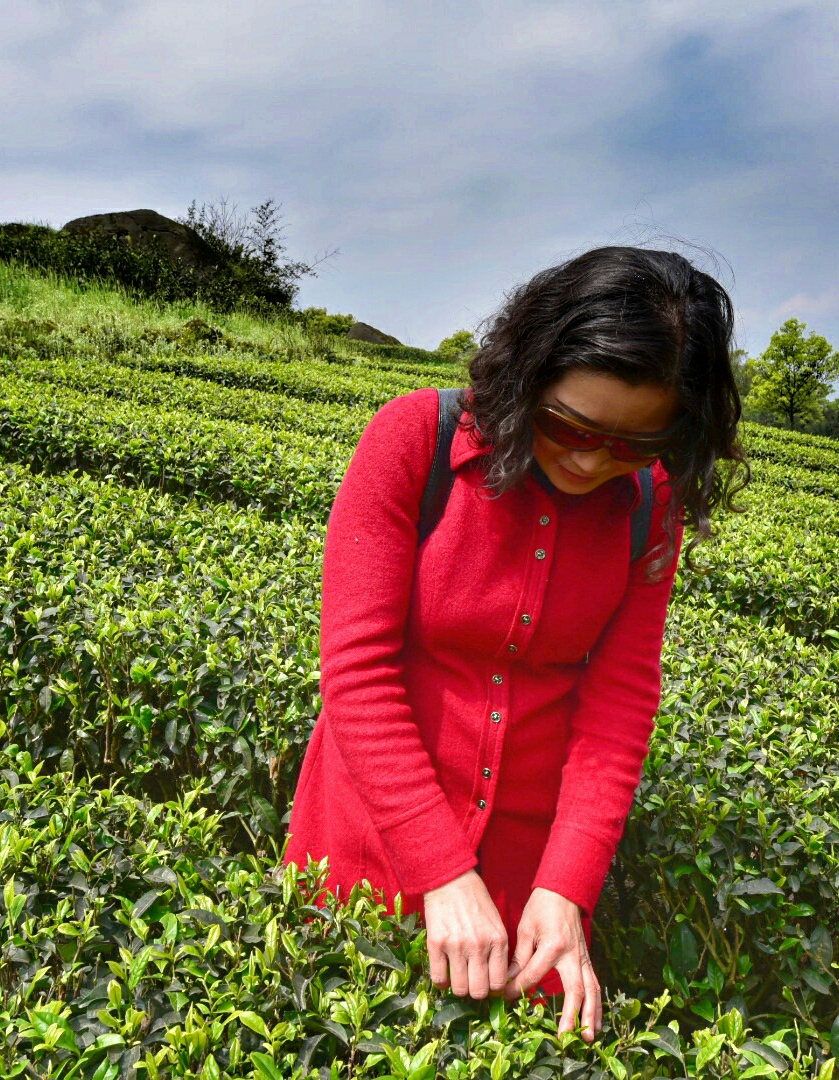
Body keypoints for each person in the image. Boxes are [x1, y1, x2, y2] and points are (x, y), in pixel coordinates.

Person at [280, 246, 749, 1043]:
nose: (592, 458)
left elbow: (618, 707)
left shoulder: (648, 503)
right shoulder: (412, 440)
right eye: (569, 423)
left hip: (527, 887)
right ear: (530, 367)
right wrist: (441, 871)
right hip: (370, 846)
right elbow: (357, 675)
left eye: (635, 444)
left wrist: (566, 891)